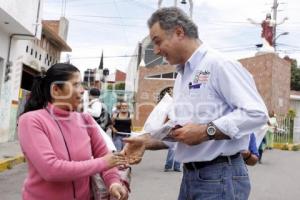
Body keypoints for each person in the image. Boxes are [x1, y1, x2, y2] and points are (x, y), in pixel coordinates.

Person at [123, 7, 268, 200]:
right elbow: (182, 133)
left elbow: (257, 114)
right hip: (192, 177)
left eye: (158, 42)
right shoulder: (182, 76)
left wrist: (205, 131)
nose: (156, 50)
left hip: (220, 176)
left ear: (179, 32)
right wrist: (146, 141)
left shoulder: (219, 64)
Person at [18, 63, 128, 200]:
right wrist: (103, 163)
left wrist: (114, 183)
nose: (83, 90)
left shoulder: (85, 119)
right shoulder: (31, 121)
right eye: (76, 84)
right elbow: (51, 170)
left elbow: (104, 155)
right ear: (56, 90)